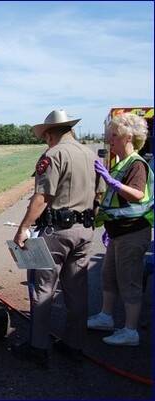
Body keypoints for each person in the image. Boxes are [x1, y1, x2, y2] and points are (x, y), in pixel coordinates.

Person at [10, 109, 104, 367]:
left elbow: (42, 197)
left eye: (45, 136)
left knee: (43, 290)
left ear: (50, 133)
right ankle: (74, 345)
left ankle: (38, 348)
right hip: (85, 232)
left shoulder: (53, 155)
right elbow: (99, 194)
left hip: (57, 233)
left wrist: (22, 229)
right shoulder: (90, 154)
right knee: (76, 291)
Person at [87, 112, 153, 346]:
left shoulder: (136, 164)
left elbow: (135, 195)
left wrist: (111, 181)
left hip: (133, 233)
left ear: (127, 137)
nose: (110, 139)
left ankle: (130, 332)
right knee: (109, 276)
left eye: (114, 135)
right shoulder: (121, 164)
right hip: (119, 233)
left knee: (130, 281)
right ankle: (106, 317)